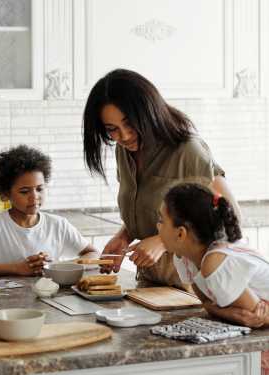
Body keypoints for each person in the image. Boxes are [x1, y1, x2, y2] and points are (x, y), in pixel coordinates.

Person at [83, 69, 242, 291]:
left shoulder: (188, 150)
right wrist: (125, 235)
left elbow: (228, 219)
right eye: (112, 130)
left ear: (147, 111)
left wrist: (161, 242)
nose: (124, 136)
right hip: (151, 284)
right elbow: (155, 210)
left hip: (193, 288)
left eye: (129, 123)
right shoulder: (125, 150)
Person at [0, 145, 100, 276]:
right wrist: (17, 268)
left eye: (39, 189)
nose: (34, 196)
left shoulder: (58, 224)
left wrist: (57, 264)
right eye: (25, 191)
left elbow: (95, 256)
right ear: (5, 193)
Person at [158, 180, 269, 327]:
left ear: (180, 234)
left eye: (161, 221)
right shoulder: (184, 257)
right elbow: (207, 303)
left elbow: (259, 317)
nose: (157, 226)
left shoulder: (215, 261)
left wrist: (225, 312)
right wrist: (227, 313)